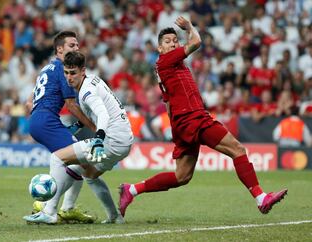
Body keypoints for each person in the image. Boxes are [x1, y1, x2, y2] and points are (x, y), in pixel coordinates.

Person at [118, 16, 287, 218]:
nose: (172, 43)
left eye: (175, 40)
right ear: (160, 49)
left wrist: (177, 132)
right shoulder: (165, 61)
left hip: (183, 122)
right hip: (193, 118)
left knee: (182, 176)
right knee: (238, 149)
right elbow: (197, 42)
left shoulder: (171, 67)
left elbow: (169, 102)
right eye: (167, 41)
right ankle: (261, 198)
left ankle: (132, 190)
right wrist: (189, 26)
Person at [24, 50, 134, 224]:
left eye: (73, 73)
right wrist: (78, 126)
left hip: (111, 140)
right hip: (125, 141)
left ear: (83, 71)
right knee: (87, 173)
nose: (69, 77)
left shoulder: (86, 92)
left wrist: (98, 139)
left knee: (57, 157)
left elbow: (103, 114)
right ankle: (114, 216)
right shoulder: (91, 81)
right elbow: (98, 113)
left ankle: (50, 212)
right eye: (66, 72)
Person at [22, 31, 102, 225]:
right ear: (60, 49)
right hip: (47, 121)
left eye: (77, 45)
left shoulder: (47, 68)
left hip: (40, 119)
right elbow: (71, 104)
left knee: (79, 162)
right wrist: (95, 126)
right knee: (81, 160)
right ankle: (54, 207)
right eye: (72, 45)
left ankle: (64, 208)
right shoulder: (62, 68)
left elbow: (28, 102)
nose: (77, 48)